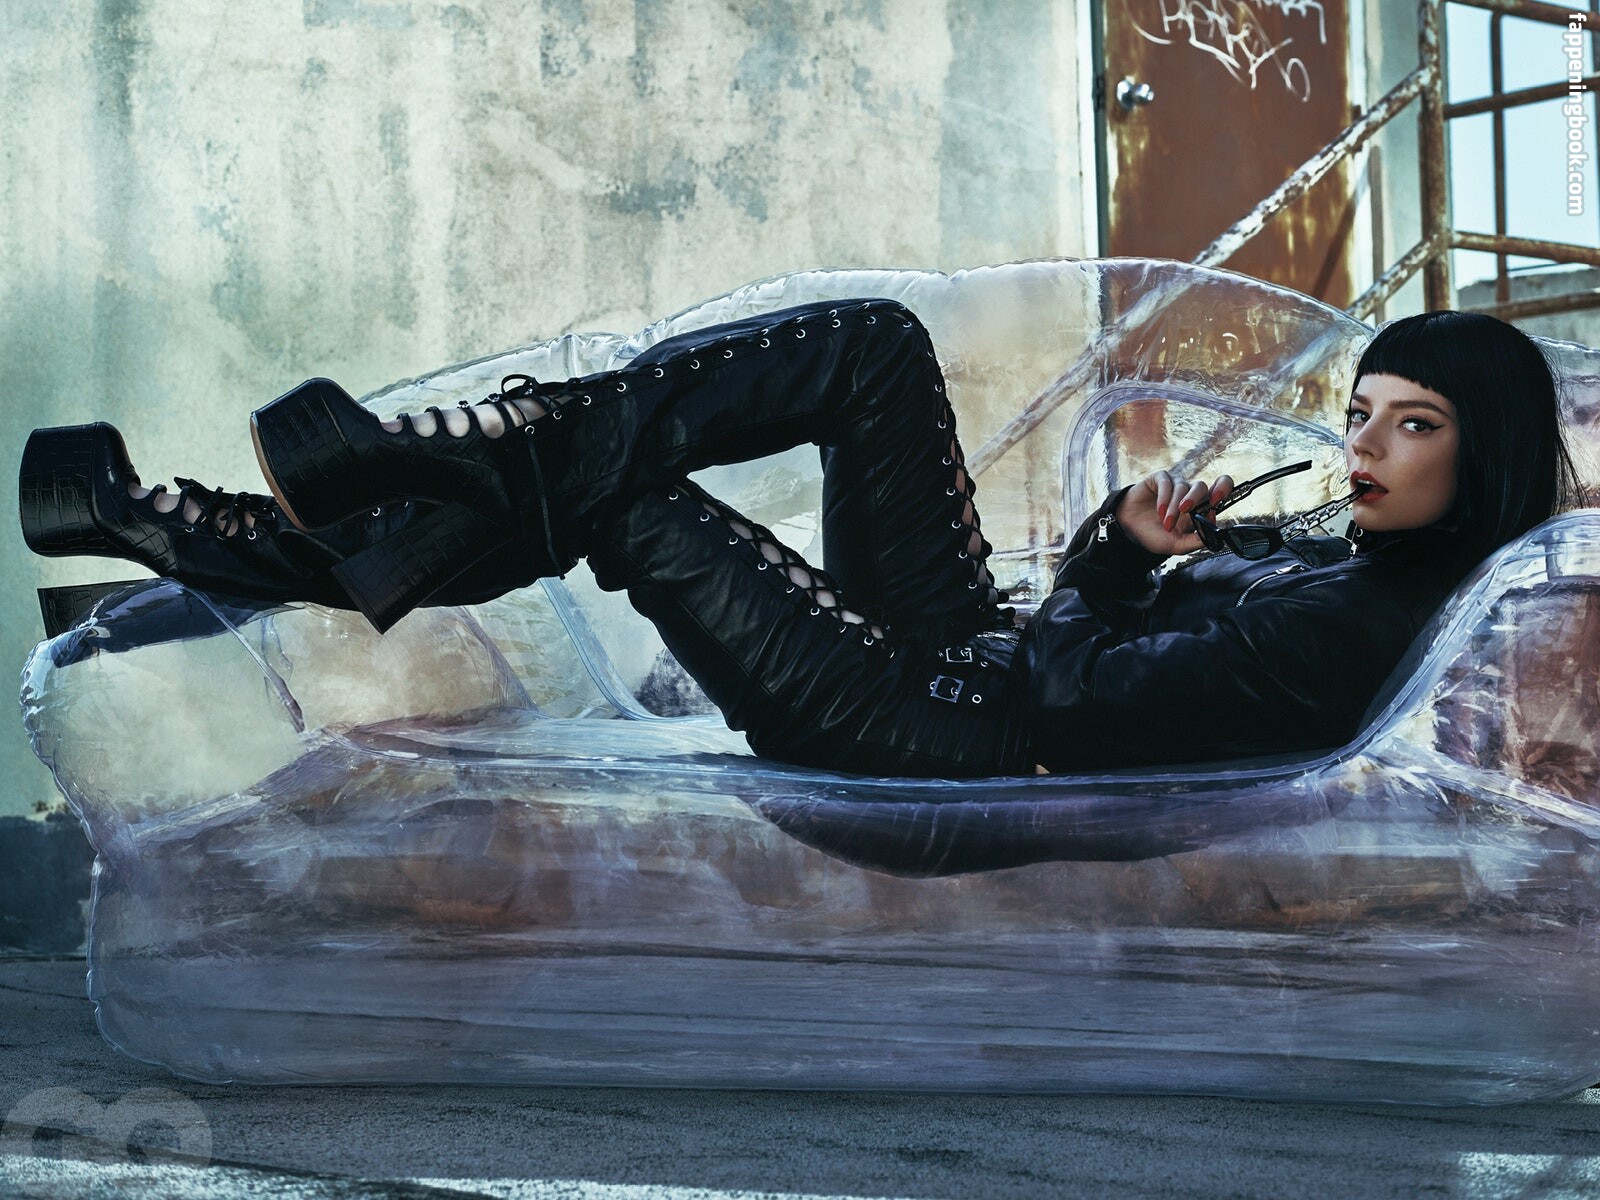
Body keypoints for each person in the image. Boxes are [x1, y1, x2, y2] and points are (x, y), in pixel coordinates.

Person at [19, 303, 1582, 778]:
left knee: (616, 498)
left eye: (1412, 425)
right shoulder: (1353, 558)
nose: (1361, 446)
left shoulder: (1354, 620)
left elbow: (1079, 702)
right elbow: (1092, 649)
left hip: (941, 734)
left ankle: (236, 532)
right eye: (1362, 411)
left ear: (1488, 452)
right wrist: (1129, 551)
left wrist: (1110, 562)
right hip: (977, 659)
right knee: (875, 351)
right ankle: (296, 522)